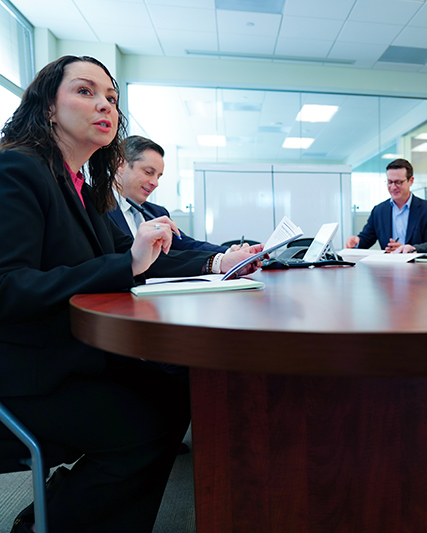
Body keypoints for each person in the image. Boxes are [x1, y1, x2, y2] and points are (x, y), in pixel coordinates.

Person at [0, 55, 262, 533]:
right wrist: (127, 264)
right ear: (48, 107)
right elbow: (7, 288)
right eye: (85, 91)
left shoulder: (80, 184)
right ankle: (51, 522)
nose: (105, 105)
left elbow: (135, 254)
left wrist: (217, 262)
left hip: (75, 356)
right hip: (27, 374)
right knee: (149, 423)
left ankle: (64, 511)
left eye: (112, 98)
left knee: (180, 391)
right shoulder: (17, 169)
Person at [108, 135, 234, 254]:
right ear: (120, 165)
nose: (155, 183)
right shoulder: (97, 210)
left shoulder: (157, 213)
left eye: (158, 176)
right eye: (148, 172)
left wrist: (229, 252)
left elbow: (187, 245)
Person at [346, 158, 427, 252]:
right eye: (390, 182)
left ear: (411, 181)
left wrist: (406, 250)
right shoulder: (379, 211)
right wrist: (356, 242)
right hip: (388, 266)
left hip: (418, 266)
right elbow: (366, 238)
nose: (393, 187)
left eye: (398, 182)